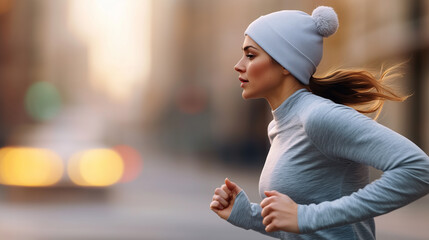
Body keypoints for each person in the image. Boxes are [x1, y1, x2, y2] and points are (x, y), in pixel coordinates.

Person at [209, 6, 429, 240]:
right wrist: (249, 214)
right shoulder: (278, 126)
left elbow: (419, 170)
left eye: (250, 55)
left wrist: (306, 216)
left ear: (285, 63)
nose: (239, 65)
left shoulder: (318, 116)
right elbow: (302, 224)